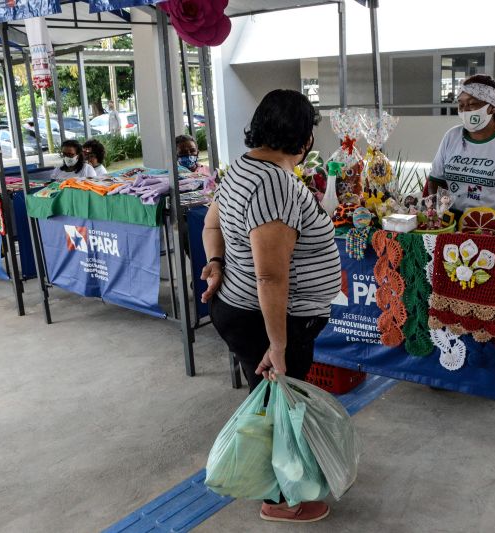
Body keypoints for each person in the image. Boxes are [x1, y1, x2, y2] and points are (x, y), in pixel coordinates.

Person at [200, 89, 340, 524]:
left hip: (241, 308)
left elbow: (211, 225)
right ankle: (280, 501)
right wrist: (277, 345)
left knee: (270, 403)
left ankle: (278, 486)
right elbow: (271, 276)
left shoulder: (242, 168)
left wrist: (216, 262)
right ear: (304, 138)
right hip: (269, 320)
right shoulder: (274, 185)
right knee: (279, 409)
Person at [423, 75, 495, 225]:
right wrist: (440, 210)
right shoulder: (452, 136)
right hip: (454, 221)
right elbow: (436, 179)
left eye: (472, 104)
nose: (465, 110)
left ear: (492, 107)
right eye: (461, 105)